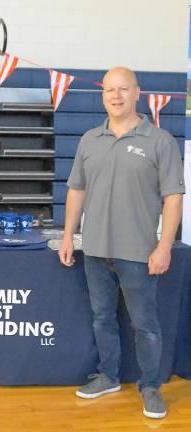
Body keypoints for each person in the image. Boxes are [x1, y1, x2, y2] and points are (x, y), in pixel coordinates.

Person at [58, 66, 184, 419]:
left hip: (140, 253)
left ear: (137, 92)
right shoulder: (88, 140)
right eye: (110, 90)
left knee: (145, 324)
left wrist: (164, 246)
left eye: (123, 89)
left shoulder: (159, 141)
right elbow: (77, 190)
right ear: (103, 95)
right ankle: (109, 376)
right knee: (102, 318)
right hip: (95, 249)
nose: (116, 96)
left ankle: (150, 387)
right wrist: (69, 235)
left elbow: (173, 197)